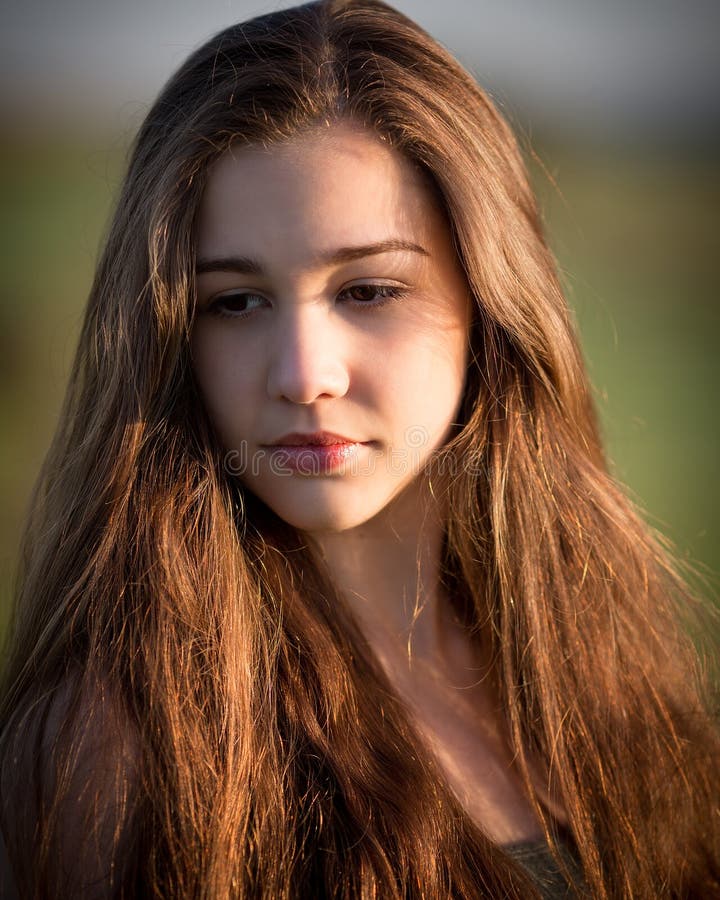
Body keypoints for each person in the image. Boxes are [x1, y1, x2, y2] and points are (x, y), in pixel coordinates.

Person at [1, 1, 718, 897]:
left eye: (369, 289)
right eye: (234, 302)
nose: (303, 375)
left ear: (491, 308)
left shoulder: (601, 662)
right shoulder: (114, 751)